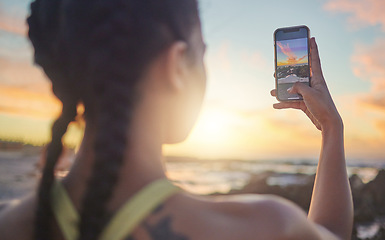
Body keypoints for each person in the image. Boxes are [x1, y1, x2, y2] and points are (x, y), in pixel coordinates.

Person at [0, 0, 353, 239]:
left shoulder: (11, 225)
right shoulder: (265, 227)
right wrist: (331, 130)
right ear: (177, 66)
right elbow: (331, 234)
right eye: (203, 54)